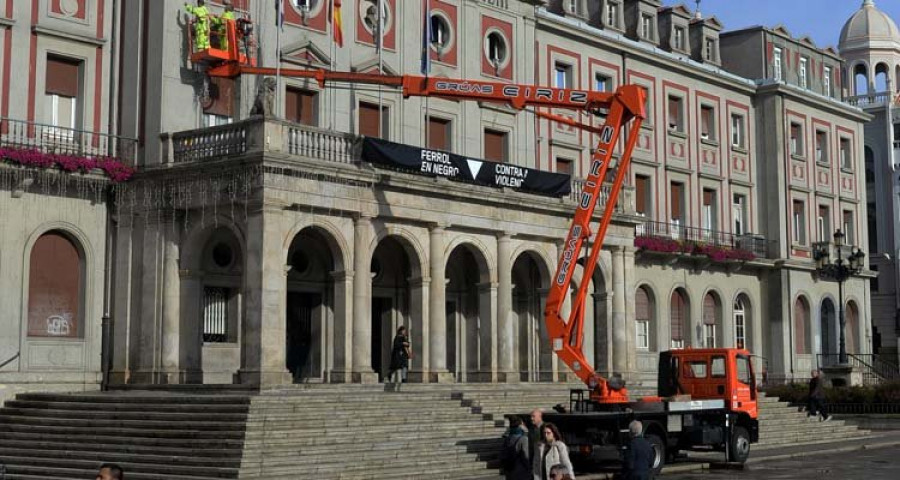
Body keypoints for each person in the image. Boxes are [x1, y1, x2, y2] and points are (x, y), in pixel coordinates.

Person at [501, 416, 532, 480]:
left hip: (509, 470)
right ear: (520, 425)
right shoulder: (523, 439)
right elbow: (526, 456)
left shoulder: (508, 438)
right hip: (521, 471)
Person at [388, 325, 411, 391]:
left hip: (403, 355)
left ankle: (404, 379)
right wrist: (403, 343)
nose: (404, 332)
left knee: (404, 366)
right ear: (401, 331)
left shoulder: (404, 337)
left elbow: (407, 345)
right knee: (396, 367)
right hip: (397, 355)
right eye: (403, 330)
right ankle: (389, 374)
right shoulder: (397, 337)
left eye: (405, 330)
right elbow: (396, 345)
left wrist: (406, 344)